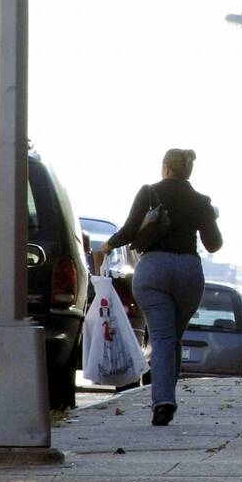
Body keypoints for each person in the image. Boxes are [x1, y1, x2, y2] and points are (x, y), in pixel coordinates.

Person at [99, 148, 222, 427]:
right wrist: (210, 216)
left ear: (165, 168)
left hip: (153, 270)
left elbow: (131, 229)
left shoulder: (149, 192)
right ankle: (166, 397)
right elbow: (214, 244)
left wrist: (108, 244)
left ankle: (163, 401)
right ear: (188, 170)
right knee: (171, 339)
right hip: (189, 272)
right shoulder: (201, 201)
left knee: (164, 339)